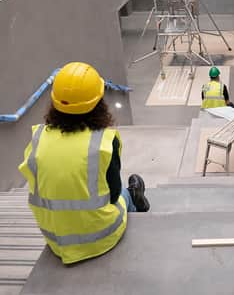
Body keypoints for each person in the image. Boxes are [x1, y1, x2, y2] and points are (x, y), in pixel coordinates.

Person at [18, 62, 150, 265]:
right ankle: (136, 202)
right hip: (100, 238)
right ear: (98, 102)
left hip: (55, 238)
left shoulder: (37, 139)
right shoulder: (104, 141)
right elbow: (113, 194)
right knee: (123, 192)